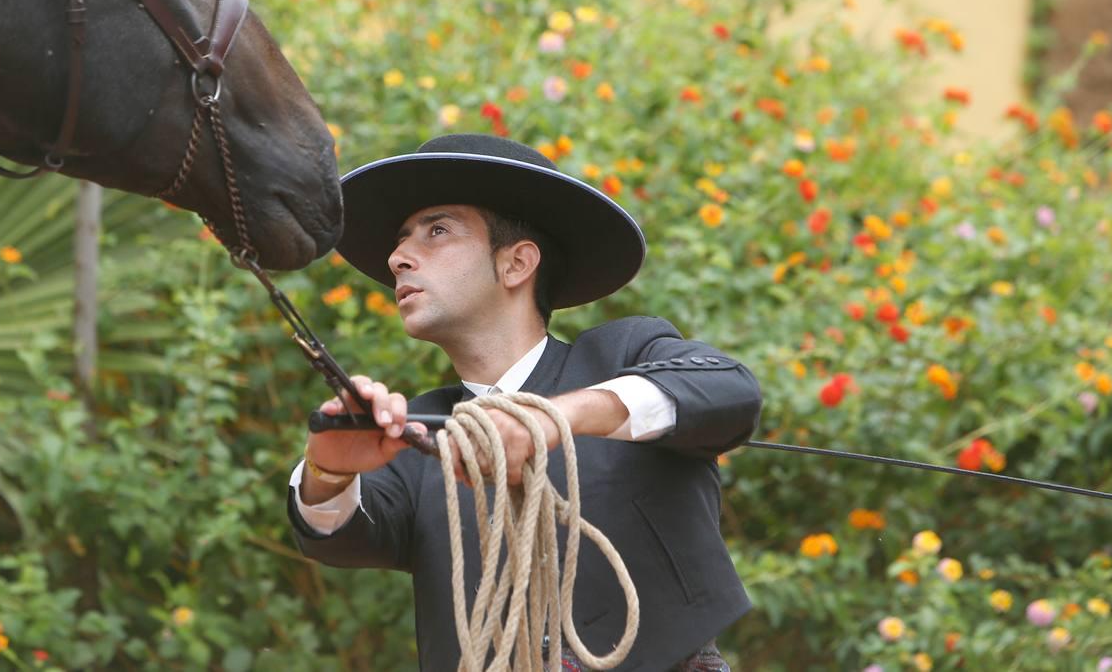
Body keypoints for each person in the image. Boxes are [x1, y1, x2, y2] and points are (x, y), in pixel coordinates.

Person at [288, 134, 762, 672]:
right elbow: (339, 536)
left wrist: (560, 416)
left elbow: (730, 391)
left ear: (516, 264)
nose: (398, 258)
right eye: (401, 241)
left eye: (437, 231)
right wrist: (328, 471)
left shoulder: (626, 353)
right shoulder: (421, 429)